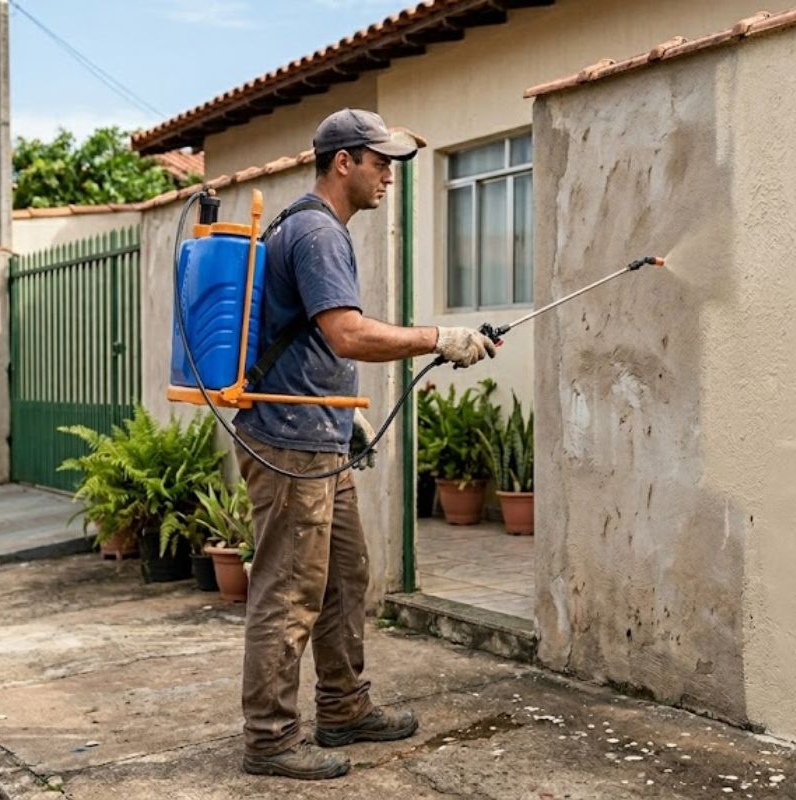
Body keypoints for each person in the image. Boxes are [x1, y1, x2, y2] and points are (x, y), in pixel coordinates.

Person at [233, 108, 496, 780]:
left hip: (317, 435)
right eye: (380, 161)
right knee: (289, 589)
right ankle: (268, 739)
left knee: (345, 576)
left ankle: (344, 707)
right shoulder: (318, 232)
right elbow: (348, 334)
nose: (388, 175)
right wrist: (438, 338)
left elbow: (314, 340)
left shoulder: (308, 226)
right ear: (342, 161)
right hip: (290, 444)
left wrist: (339, 414)